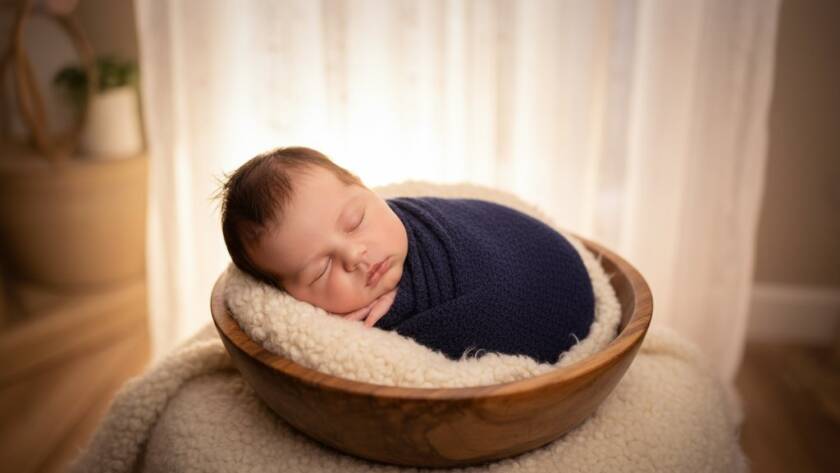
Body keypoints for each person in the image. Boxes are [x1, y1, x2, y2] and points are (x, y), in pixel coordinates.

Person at [220, 147, 595, 364]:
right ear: (291, 298)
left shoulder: (415, 219)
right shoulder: (347, 330)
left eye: (355, 220)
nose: (355, 255)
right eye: (320, 271)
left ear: (366, 188)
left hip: (553, 271)